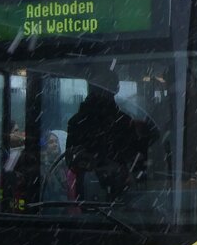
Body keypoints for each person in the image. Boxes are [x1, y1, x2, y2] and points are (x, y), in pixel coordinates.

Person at [66, 69, 139, 201]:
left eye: (104, 87)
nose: (102, 93)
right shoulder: (124, 122)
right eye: (99, 87)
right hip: (95, 194)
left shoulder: (77, 122)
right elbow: (71, 160)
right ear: (117, 89)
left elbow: (134, 162)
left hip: (110, 193)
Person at [40, 130, 69, 203]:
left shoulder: (65, 164)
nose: (55, 144)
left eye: (56, 141)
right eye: (51, 142)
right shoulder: (43, 167)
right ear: (45, 147)